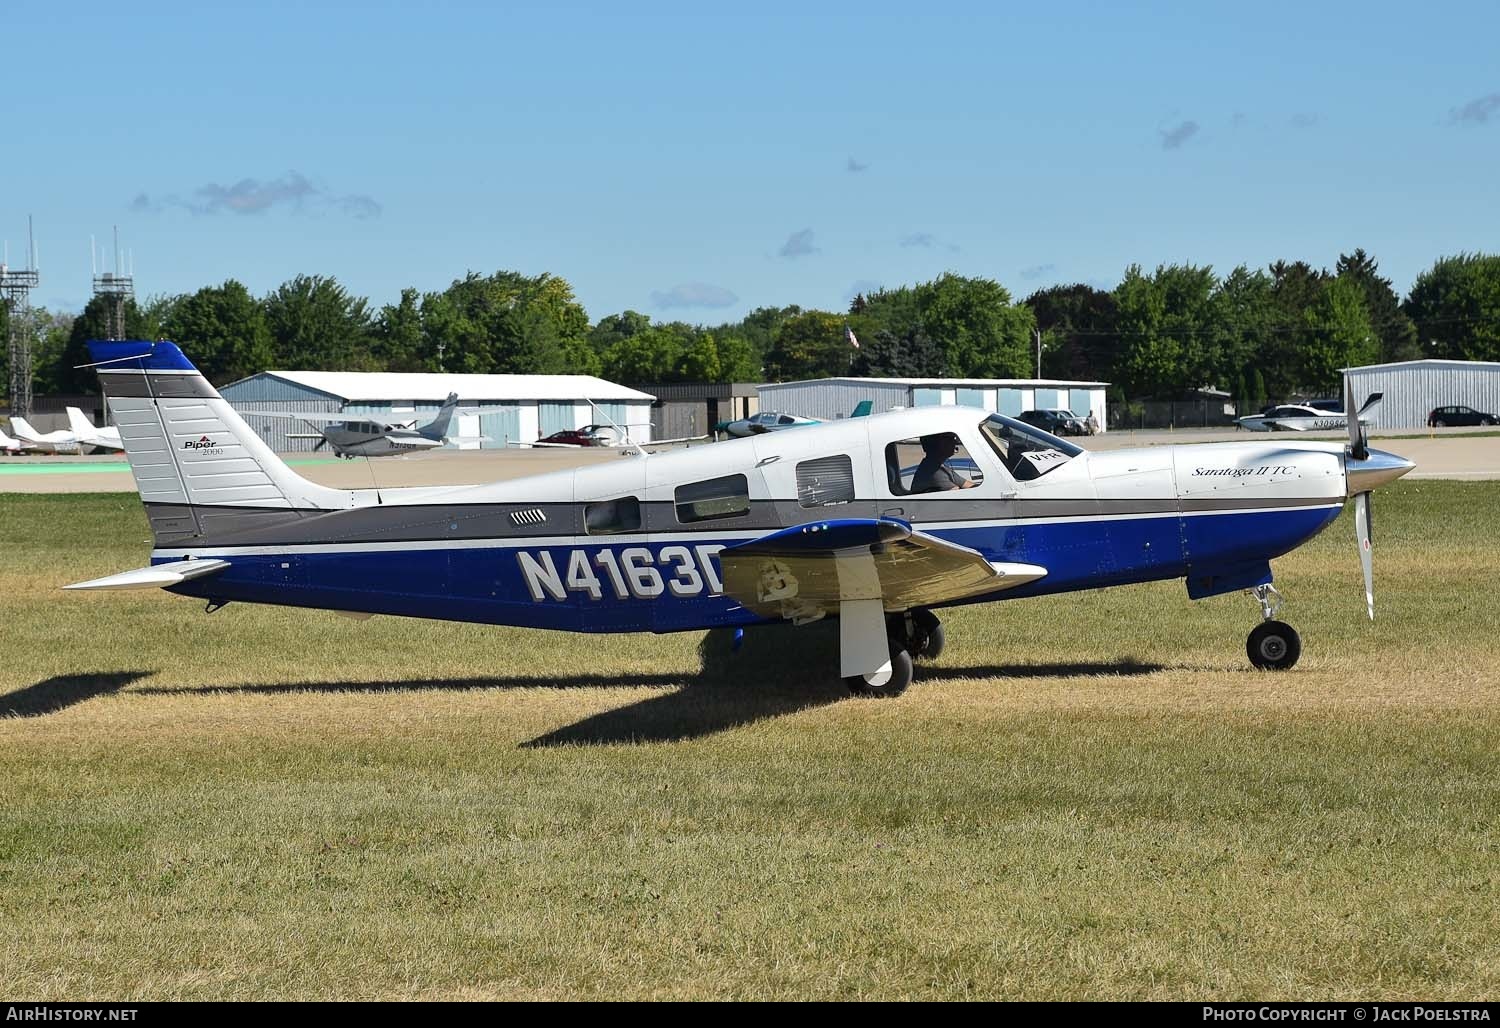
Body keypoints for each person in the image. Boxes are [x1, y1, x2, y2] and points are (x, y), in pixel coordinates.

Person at [911, 433, 976, 493]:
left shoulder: (936, 466)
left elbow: (966, 484)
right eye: (950, 439)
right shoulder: (933, 471)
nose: (954, 441)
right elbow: (956, 495)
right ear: (936, 443)